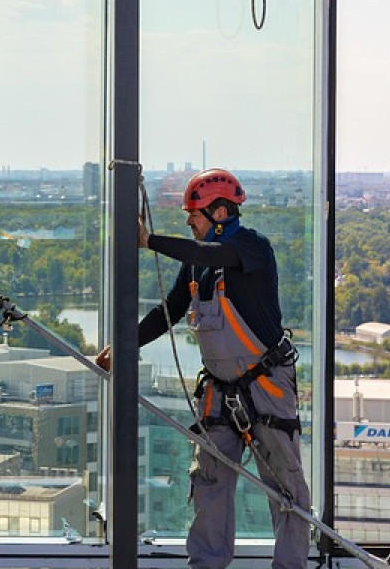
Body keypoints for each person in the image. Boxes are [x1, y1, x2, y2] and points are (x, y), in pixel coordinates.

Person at [95, 168, 309, 569]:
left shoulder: (251, 248)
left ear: (221, 212)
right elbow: (170, 311)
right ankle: (206, 564)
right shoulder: (197, 267)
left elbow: (212, 253)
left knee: (285, 484)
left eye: (194, 214)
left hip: (266, 384)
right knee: (210, 480)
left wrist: (151, 241)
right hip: (221, 392)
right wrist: (124, 346)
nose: (189, 221)